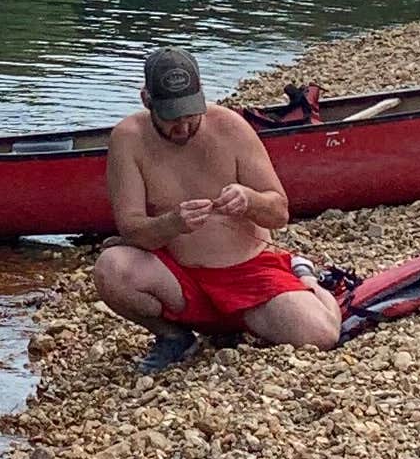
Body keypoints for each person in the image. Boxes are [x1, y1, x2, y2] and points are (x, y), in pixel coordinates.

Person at [93, 47, 338, 372]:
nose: (182, 128)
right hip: (180, 279)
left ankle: (304, 276)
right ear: (146, 100)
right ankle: (174, 337)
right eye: (171, 118)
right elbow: (131, 227)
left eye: (189, 116)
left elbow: (279, 212)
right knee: (111, 268)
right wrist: (172, 223)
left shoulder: (230, 127)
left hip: (249, 273)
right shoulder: (128, 139)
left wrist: (249, 200)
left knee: (322, 334)